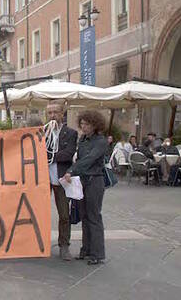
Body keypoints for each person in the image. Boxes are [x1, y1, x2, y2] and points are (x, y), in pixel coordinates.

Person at [62, 110, 108, 265]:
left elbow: (90, 159)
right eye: (82, 124)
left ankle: (97, 253)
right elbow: (80, 158)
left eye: (87, 124)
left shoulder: (101, 141)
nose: (84, 127)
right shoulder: (83, 140)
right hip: (82, 180)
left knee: (94, 216)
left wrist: (71, 170)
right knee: (85, 216)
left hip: (95, 180)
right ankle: (85, 250)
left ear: (95, 125)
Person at [45, 100, 78, 261]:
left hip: (61, 179)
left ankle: (64, 245)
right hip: (44, 180)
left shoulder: (70, 133)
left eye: (55, 112)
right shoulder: (41, 132)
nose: (52, 115)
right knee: (39, 213)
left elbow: (68, 154)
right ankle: (39, 243)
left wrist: (48, 156)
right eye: (49, 112)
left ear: (62, 114)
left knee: (64, 215)